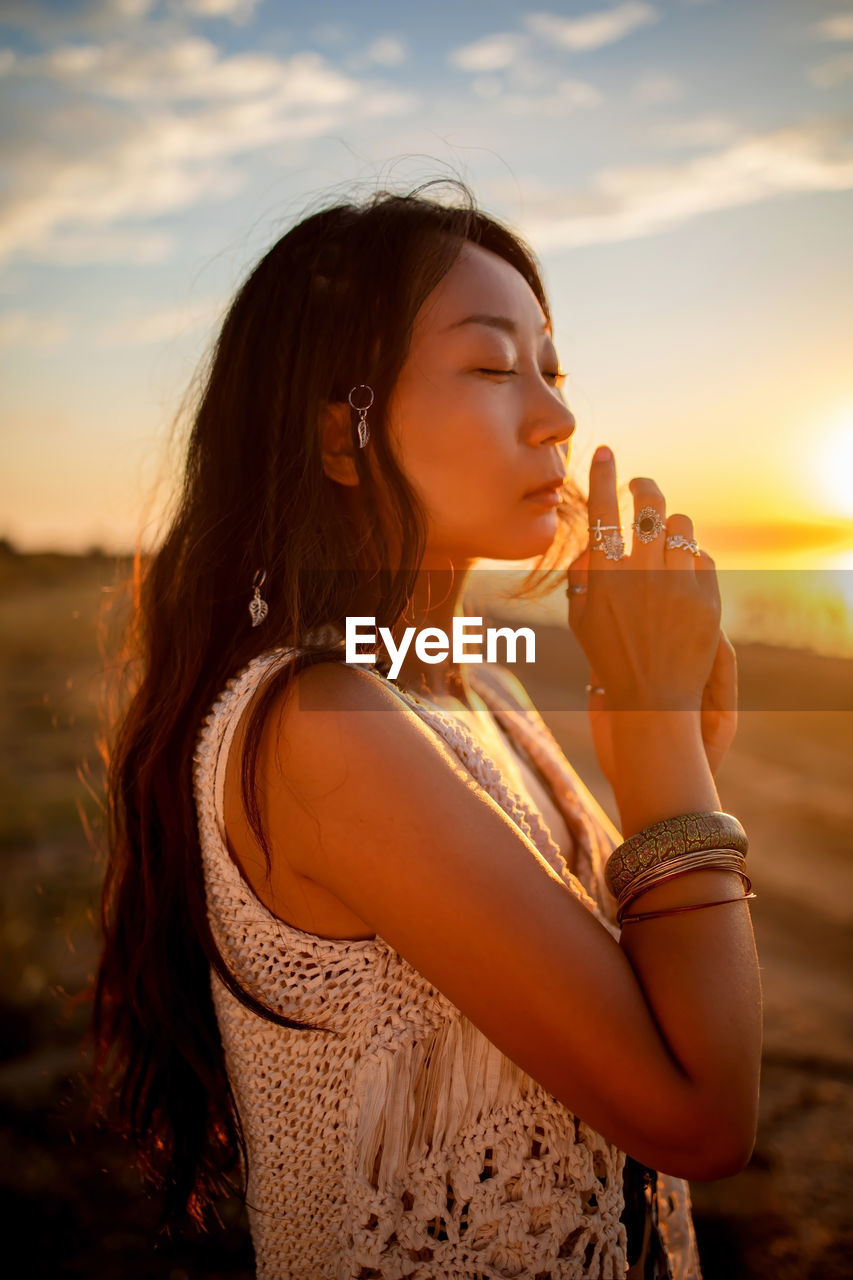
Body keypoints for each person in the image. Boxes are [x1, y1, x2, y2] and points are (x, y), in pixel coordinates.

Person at [92, 184, 762, 1280]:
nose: (553, 416)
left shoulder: (477, 695)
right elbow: (702, 1115)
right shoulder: (318, 724)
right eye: (496, 368)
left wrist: (682, 752)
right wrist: (654, 755)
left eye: (554, 371)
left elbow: (647, 1001)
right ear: (340, 437)